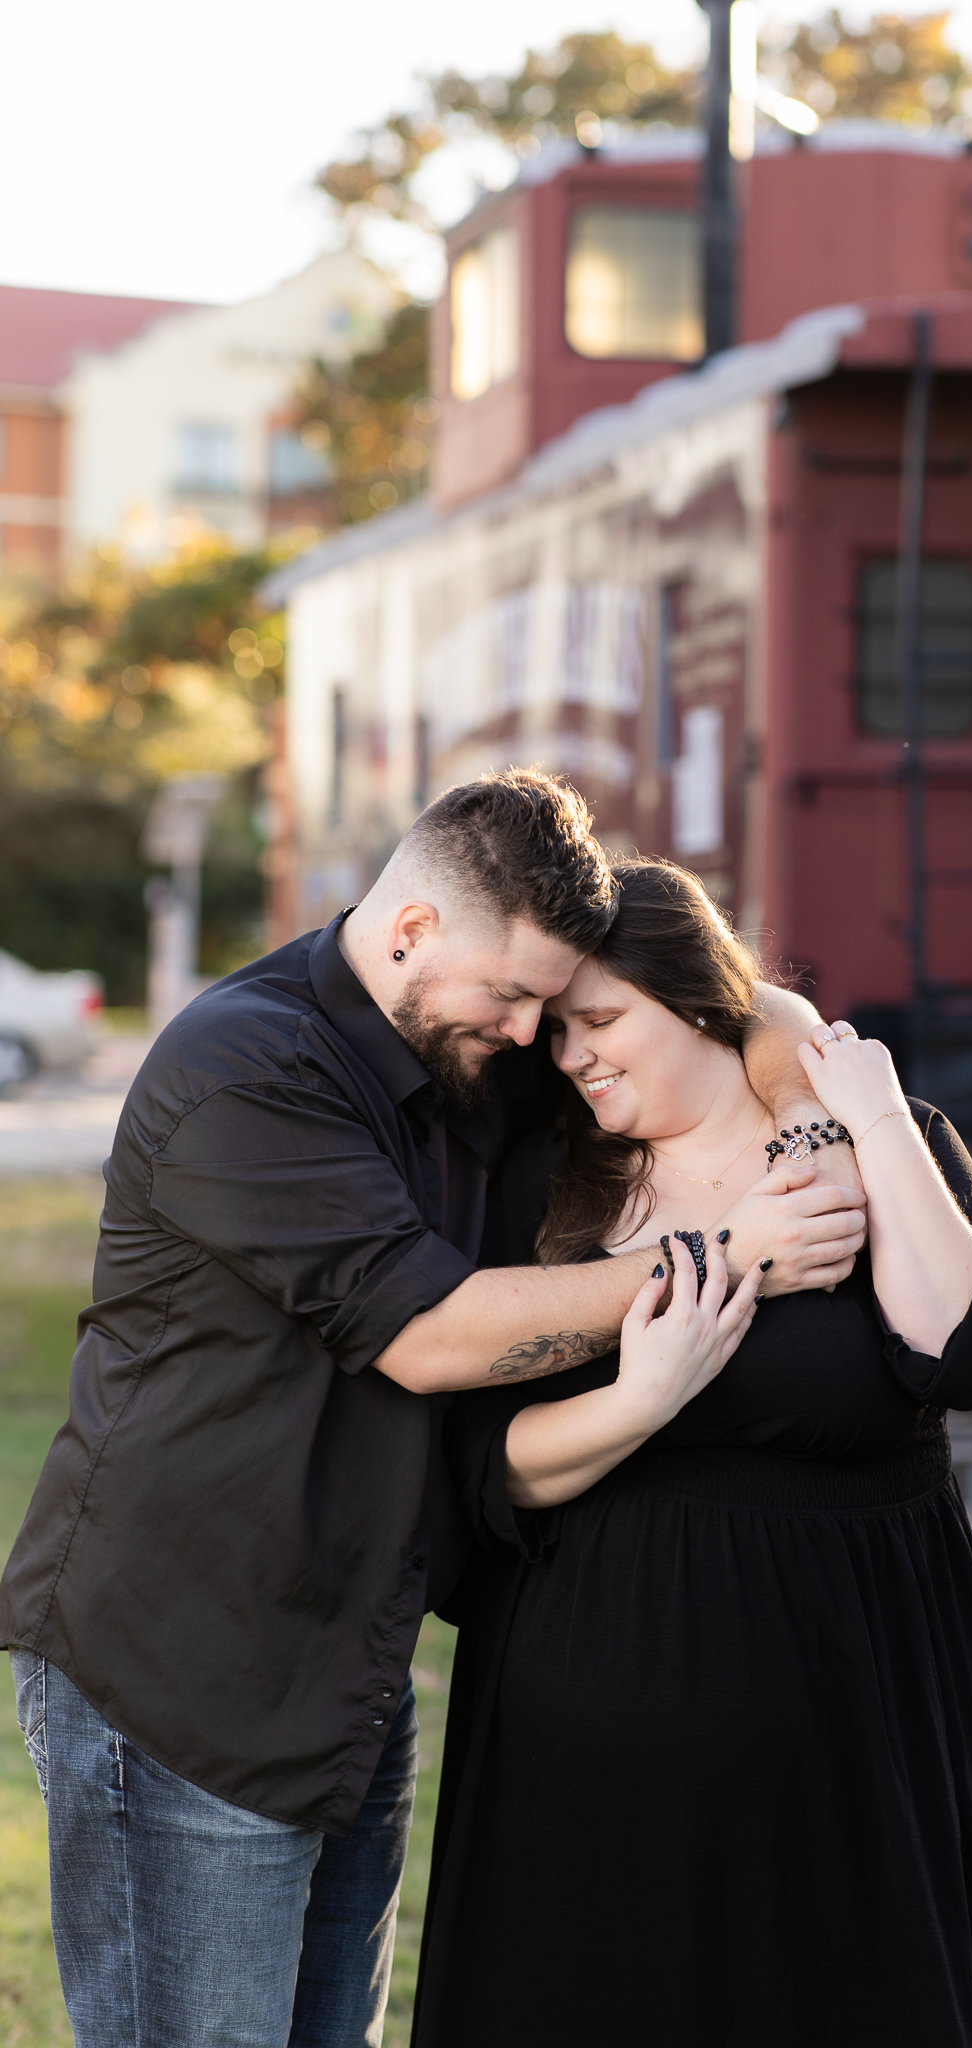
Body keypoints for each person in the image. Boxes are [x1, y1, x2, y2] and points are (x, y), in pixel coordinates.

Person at [0, 774, 866, 2048]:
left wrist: (806, 1116)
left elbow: (739, 1001)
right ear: (409, 932)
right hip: (182, 1670)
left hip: (349, 1671)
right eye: (511, 996)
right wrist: (733, 1248)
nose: (532, 1037)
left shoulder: (468, 1044)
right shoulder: (244, 1067)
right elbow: (425, 1335)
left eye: (548, 1004)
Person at [412, 858, 972, 2048]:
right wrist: (645, 1397)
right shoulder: (551, 1185)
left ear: (706, 1002)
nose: (572, 1055)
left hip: (854, 1703)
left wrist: (862, 1107)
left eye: (601, 1020)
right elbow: (487, 1465)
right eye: (557, 1029)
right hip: (591, 1736)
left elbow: (961, 1345)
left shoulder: (876, 1143)